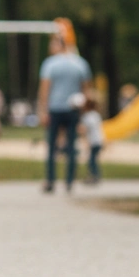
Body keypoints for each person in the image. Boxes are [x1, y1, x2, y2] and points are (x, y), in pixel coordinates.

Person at [37, 34, 92, 193]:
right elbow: (86, 89)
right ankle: (69, 180)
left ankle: (50, 180)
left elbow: (45, 89)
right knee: (71, 145)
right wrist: (83, 112)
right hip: (73, 109)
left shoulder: (50, 64)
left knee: (52, 146)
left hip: (55, 108)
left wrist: (42, 110)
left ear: (58, 45)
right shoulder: (80, 63)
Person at [79, 96, 104, 185]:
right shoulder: (96, 115)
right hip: (99, 140)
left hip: (93, 141)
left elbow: (85, 128)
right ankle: (94, 175)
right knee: (93, 159)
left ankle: (94, 176)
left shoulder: (87, 116)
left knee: (91, 160)